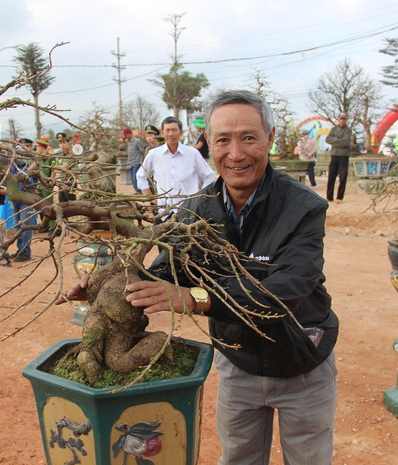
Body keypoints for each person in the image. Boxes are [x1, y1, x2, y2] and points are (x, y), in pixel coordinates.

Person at [59, 90, 338, 465]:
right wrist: (106, 289)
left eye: (249, 138)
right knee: (238, 457)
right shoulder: (194, 211)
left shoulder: (304, 209)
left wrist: (196, 298)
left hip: (301, 361)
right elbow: (160, 270)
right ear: (208, 144)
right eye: (223, 139)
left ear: (270, 138)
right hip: (238, 364)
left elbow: (282, 294)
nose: (235, 153)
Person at [135, 116, 215, 216]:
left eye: (174, 130)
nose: (171, 134)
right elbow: (141, 175)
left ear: (181, 132)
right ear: (162, 132)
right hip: (163, 211)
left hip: (189, 211)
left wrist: (200, 199)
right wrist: (151, 198)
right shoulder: (154, 154)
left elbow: (209, 176)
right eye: (167, 130)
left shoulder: (192, 153)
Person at [325, 112, 352, 203]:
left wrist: (335, 141)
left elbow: (346, 143)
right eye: (341, 118)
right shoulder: (333, 129)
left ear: (346, 120)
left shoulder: (348, 130)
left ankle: (339, 197)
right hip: (334, 155)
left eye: (344, 119)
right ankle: (329, 196)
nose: (342, 120)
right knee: (331, 176)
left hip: (344, 156)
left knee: (343, 176)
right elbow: (327, 139)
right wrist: (337, 140)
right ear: (338, 119)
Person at [122, 127, 146, 194]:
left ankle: (140, 191)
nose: (125, 136)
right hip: (131, 162)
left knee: (135, 178)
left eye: (125, 135)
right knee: (132, 179)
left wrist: (144, 162)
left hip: (137, 162)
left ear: (129, 133)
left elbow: (143, 151)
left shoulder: (137, 141)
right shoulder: (128, 143)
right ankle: (138, 191)